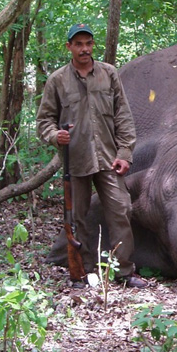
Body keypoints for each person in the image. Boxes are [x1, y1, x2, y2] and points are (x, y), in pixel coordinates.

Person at [37, 23, 146, 288]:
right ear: (69, 47)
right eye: (78, 44)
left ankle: (123, 271)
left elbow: (123, 117)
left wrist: (125, 153)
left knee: (121, 210)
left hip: (109, 158)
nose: (84, 49)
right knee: (78, 218)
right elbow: (44, 122)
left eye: (88, 43)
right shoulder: (58, 80)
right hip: (76, 161)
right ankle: (83, 270)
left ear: (92, 45)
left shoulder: (108, 74)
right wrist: (55, 136)